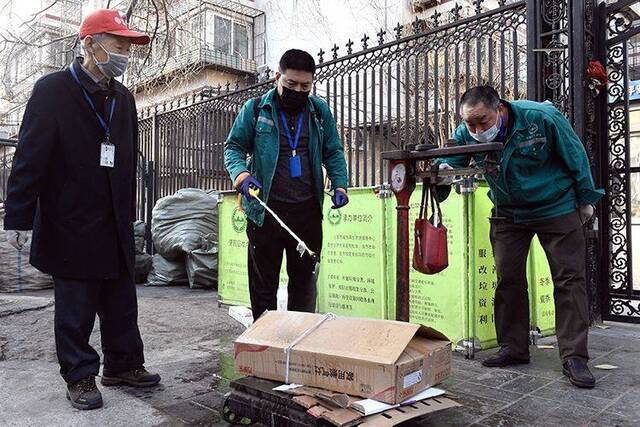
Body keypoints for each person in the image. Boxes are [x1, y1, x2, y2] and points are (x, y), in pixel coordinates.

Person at [3, 9, 160, 410]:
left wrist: (130, 217)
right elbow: (30, 157)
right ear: (89, 43)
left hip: (114, 218)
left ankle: (124, 364)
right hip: (70, 217)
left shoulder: (123, 98)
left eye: (129, 46)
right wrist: (18, 218)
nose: (126, 52)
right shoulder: (53, 90)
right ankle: (79, 375)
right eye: (119, 44)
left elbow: (126, 158)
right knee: (76, 303)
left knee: (121, 298)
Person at [437, 86, 604, 389]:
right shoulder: (466, 132)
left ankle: (574, 356)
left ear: (499, 108)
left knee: (569, 279)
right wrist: (441, 170)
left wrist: (585, 199)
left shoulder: (541, 117)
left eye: (482, 122)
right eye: (470, 124)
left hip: (556, 205)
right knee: (508, 279)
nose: (476, 130)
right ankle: (513, 348)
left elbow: (575, 154)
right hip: (508, 211)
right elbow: (451, 161)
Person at [224, 49, 349, 320]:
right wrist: (242, 175)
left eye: (305, 86)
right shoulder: (256, 109)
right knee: (263, 288)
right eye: (291, 84)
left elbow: (333, 151)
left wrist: (340, 184)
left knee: (304, 287)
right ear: (277, 77)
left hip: (306, 213)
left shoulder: (318, 111)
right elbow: (233, 147)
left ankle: (299, 346)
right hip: (265, 212)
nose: (297, 90)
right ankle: (265, 348)